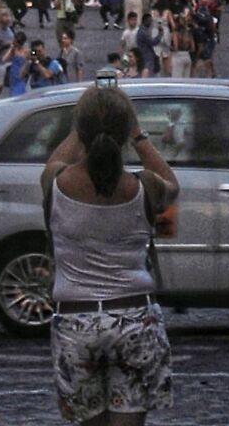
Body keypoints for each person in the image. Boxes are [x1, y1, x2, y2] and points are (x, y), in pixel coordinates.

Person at [39, 80, 178, 426]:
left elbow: (55, 160)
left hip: (76, 320)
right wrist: (138, 135)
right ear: (125, 131)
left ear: (81, 131)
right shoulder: (144, 186)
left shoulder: (56, 182)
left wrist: (80, 126)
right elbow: (173, 185)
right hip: (134, 318)